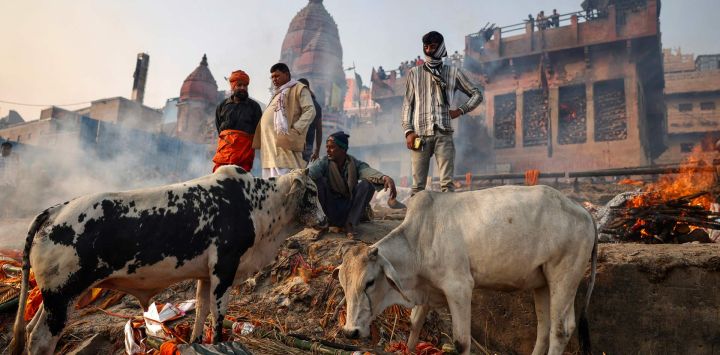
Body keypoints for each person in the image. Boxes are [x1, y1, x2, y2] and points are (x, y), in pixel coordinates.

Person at [402, 31, 483, 194]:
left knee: (447, 185)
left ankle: (446, 220)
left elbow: (477, 94)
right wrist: (408, 132)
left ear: (440, 48)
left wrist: (460, 111)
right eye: (426, 47)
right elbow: (407, 106)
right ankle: (416, 219)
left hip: (443, 134)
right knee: (418, 186)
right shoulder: (414, 73)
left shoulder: (453, 73)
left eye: (433, 47)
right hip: (420, 136)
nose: (429, 50)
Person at [308, 131, 396, 238]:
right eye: (327, 147)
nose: (327, 150)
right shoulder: (323, 162)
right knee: (318, 182)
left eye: (332, 147)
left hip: (348, 209)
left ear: (343, 149)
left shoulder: (354, 163)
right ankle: (322, 223)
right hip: (330, 208)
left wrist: (384, 178)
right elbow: (310, 172)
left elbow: (367, 171)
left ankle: (350, 224)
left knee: (367, 185)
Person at [252, 63, 316, 178]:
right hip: (269, 151)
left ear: (286, 74)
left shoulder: (299, 88)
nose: (274, 79)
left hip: (285, 148)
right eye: (272, 77)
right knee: (270, 189)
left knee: (287, 185)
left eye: (277, 76)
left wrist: (297, 128)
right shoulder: (277, 93)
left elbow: (310, 110)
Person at [212, 70, 262, 173]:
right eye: (239, 85)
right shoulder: (222, 106)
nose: (243, 88)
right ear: (233, 86)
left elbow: (259, 131)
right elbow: (220, 130)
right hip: (224, 153)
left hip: (244, 155)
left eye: (245, 85)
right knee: (219, 180)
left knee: (240, 182)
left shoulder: (254, 107)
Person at [297, 78, 323, 164]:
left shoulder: (313, 105)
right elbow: (319, 130)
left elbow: (319, 130)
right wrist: (317, 151)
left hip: (301, 145)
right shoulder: (316, 105)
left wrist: (317, 151)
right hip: (303, 144)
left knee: (295, 173)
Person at [0, 141, 19, 217]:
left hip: (10, 184)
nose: (6, 151)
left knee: (7, 200)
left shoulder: (13, 159)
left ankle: (5, 215)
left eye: (8, 149)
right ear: (1, 149)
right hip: (1, 184)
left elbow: (17, 171)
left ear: (11, 150)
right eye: (4, 149)